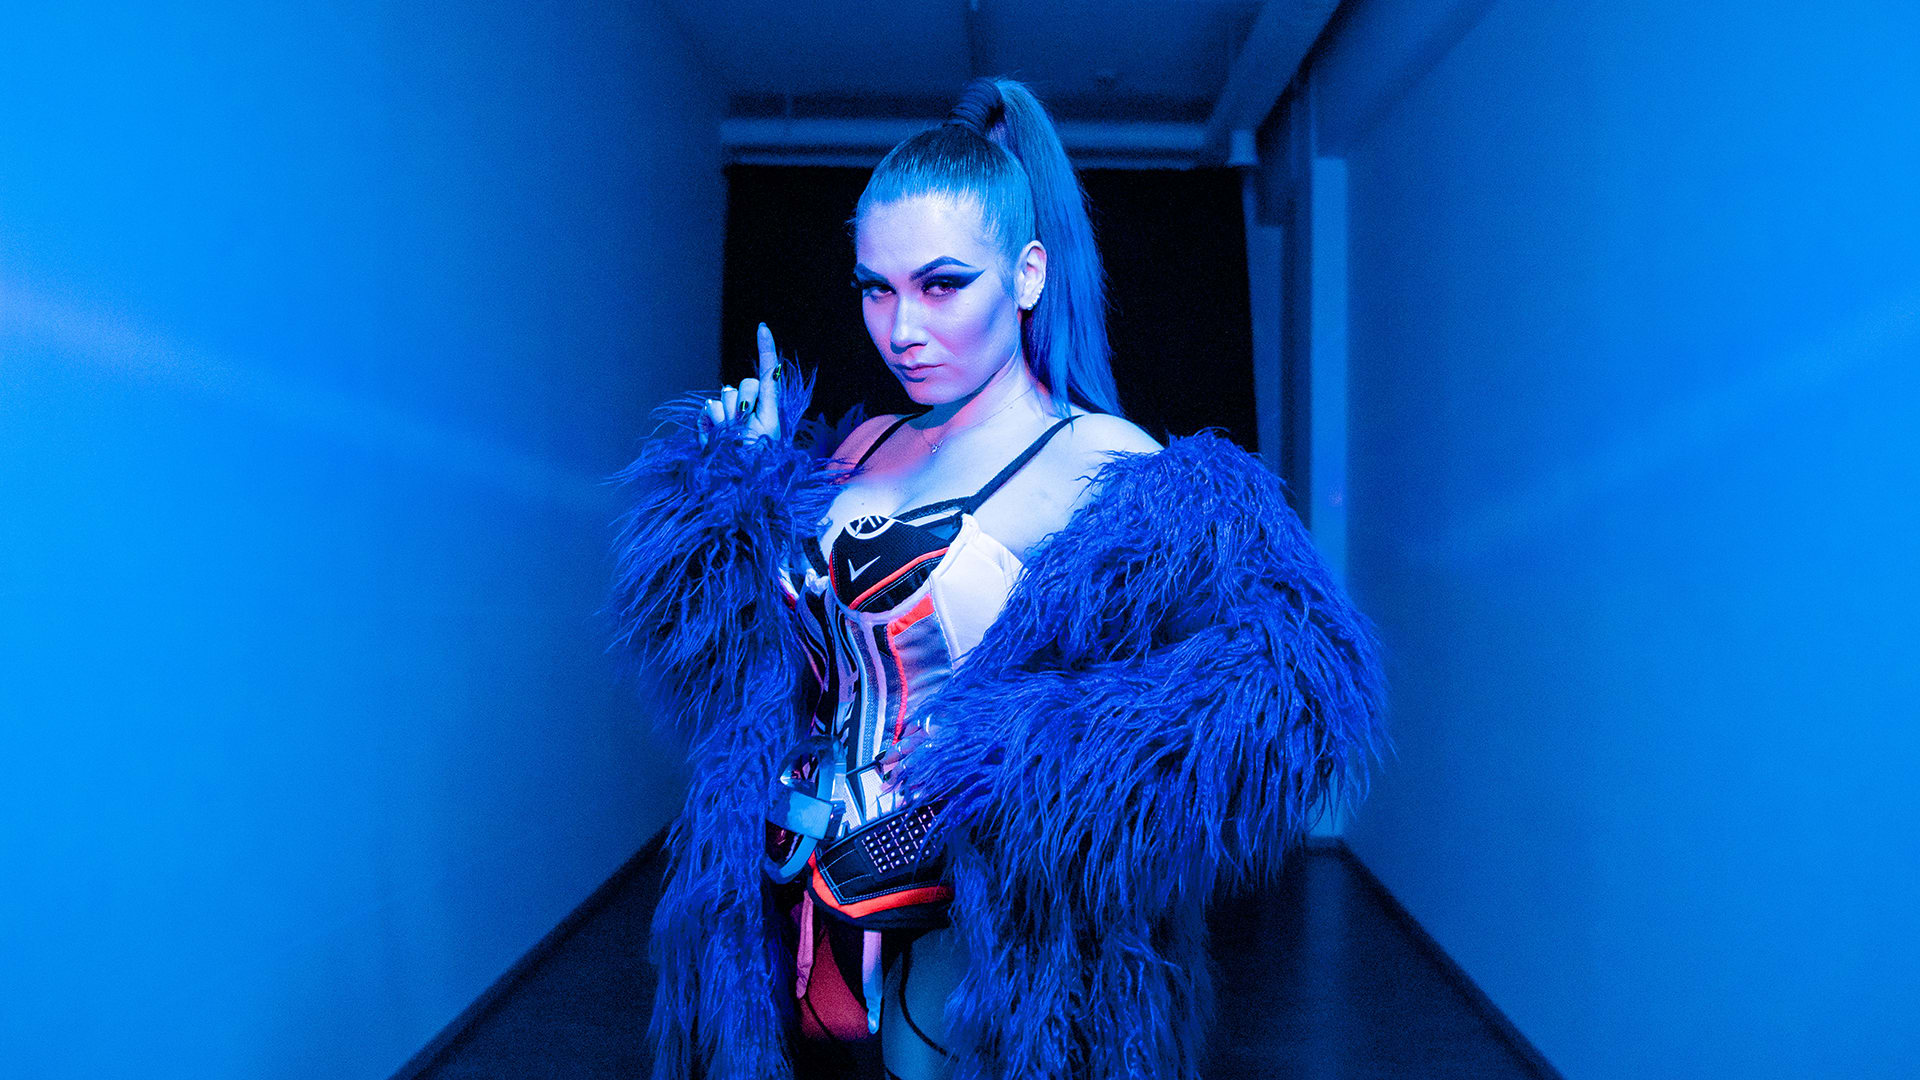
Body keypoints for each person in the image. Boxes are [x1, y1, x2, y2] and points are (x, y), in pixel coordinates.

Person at [609, 77, 1386, 1080]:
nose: (901, 328)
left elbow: (1295, 687)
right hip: (799, 909)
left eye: (942, 285)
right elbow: (742, 683)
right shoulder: (860, 445)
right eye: (876, 288)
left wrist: (1028, 774)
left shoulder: (1105, 464)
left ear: (1026, 275)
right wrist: (735, 498)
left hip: (987, 943)